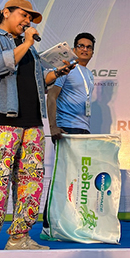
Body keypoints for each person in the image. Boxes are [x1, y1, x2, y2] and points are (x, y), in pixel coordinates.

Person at [0, 0, 71, 251]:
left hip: (31, 123)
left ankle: (19, 237)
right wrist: (26, 42)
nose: (27, 22)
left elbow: (35, 82)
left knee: (31, 181)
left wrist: (56, 73)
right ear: (6, 12)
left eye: (30, 19)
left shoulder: (30, 50)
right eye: (23, 16)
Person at [42, 33, 96, 237]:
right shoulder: (66, 69)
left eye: (89, 47)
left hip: (83, 129)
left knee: (77, 179)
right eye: (81, 46)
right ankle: (48, 225)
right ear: (74, 49)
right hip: (66, 129)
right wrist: (53, 126)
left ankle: (69, 222)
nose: (85, 50)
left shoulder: (88, 74)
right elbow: (52, 97)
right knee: (62, 177)